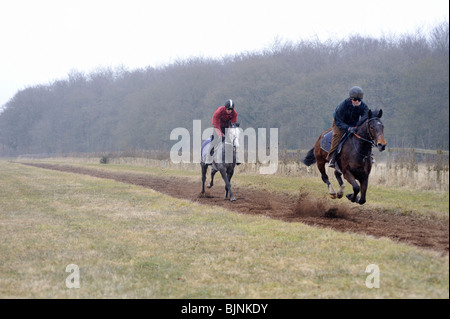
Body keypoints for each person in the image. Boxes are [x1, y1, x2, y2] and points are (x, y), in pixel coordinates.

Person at [327, 86, 369, 168]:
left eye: (359, 100)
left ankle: (369, 154)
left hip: (353, 123)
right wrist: (348, 128)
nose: (357, 102)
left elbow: (365, 116)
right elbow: (338, 121)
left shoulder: (363, 106)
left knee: (364, 133)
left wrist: (357, 125)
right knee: (337, 136)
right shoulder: (343, 105)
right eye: (354, 100)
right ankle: (332, 157)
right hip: (339, 122)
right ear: (350, 99)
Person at [205, 99, 238, 166]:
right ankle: (208, 158)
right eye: (228, 109)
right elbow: (216, 124)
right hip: (218, 127)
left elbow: (232, 124)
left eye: (231, 109)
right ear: (225, 108)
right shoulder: (219, 112)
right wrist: (220, 135)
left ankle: (236, 158)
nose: (230, 111)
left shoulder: (234, 113)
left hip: (227, 128)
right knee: (214, 141)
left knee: (234, 141)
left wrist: (230, 133)